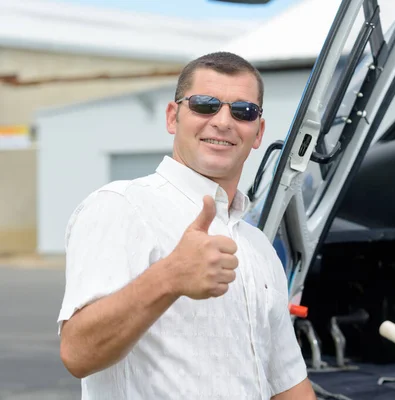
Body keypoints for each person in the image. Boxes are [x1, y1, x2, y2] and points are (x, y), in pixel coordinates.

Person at [57, 51, 317, 400]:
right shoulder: (122, 206)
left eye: (243, 111)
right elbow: (78, 354)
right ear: (172, 117)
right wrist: (170, 277)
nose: (223, 121)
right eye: (205, 105)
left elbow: (286, 381)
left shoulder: (257, 246)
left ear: (258, 132)